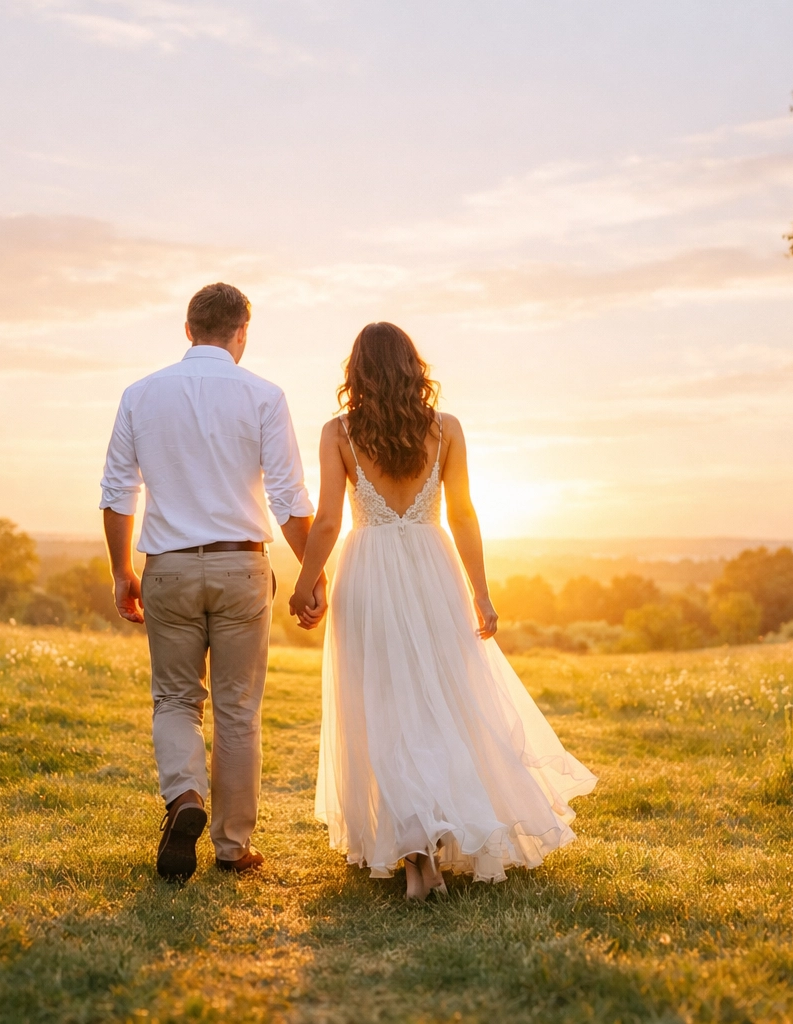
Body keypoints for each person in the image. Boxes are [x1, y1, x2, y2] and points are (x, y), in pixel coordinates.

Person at [288, 322, 597, 899]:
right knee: (439, 707)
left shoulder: (339, 433)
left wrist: (306, 584)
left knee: (383, 708)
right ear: (413, 367)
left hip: (370, 571)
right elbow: (465, 516)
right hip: (434, 569)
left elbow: (328, 520)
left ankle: (417, 859)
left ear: (355, 372)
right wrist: (481, 592)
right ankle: (432, 845)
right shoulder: (446, 430)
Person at [100, 282, 325, 882]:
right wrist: (311, 572)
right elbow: (287, 494)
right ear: (241, 332)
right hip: (241, 567)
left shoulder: (140, 394)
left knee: (175, 699)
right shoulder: (264, 395)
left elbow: (119, 490)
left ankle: (185, 799)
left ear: (188, 329)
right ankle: (232, 847)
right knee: (237, 709)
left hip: (167, 569)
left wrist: (123, 570)